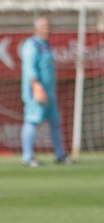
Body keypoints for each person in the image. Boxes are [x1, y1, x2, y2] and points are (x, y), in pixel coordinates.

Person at [20, 15, 74, 167]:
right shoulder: (32, 45)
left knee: (55, 122)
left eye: (49, 27)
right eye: (44, 27)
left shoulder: (46, 45)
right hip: (36, 92)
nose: (47, 30)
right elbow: (29, 68)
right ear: (36, 28)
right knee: (32, 120)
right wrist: (36, 87)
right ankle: (28, 157)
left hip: (50, 93)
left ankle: (60, 154)